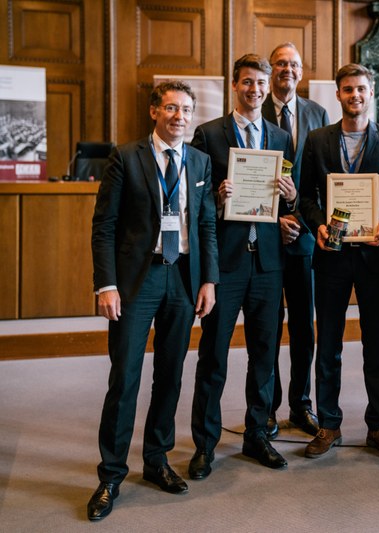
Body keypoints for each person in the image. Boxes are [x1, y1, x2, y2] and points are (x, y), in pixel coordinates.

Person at [87, 80, 219, 521]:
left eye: (186, 109)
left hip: (182, 279)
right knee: (125, 377)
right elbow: (103, 225)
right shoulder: (126, 158)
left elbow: (205, 226)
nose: (179, 116)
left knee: (170, 375)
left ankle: (156, 460)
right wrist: (105, 284)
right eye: (170, 108)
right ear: (154, 112)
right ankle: (110, 475)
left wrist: (209, 281)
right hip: (136, 284)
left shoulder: (200, 161)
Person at [189, 53, 295, 480]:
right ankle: (204, 445)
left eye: (261, 84)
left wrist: (288, 198)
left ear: (269, 88)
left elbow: (291, 199)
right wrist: (216, 194)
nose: (255, 90)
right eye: (247, 82)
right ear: (235, 85)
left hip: (268, 263)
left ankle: (257, 435)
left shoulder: (280, 136)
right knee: (213, 355)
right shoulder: (209, 134)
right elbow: (194, 203)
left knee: (264, 355)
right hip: (226, 264)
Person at [299, 63, 379, 460]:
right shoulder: (317, 139)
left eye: (361, 89)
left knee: (376, 346)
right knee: (327, 344)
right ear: (338, 95)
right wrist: (317, 227)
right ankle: (329, 424)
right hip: (331, 255)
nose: (355, 96)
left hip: (375, 257)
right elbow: (304, 195)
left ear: (371, 93)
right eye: (348, 90)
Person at [262, 42, 330, 437]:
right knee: (269, 325)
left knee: (304, 327)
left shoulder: (317, 114)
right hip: (267, 237)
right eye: (281, 63)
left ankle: (301, 405)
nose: (288, 69)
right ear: (271, 70)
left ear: (302, 72)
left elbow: (319, 181)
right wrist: (276, 221)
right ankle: (267, 408)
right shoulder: (255, 111)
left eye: (294, 64)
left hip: (305, 235)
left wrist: (303, 219)